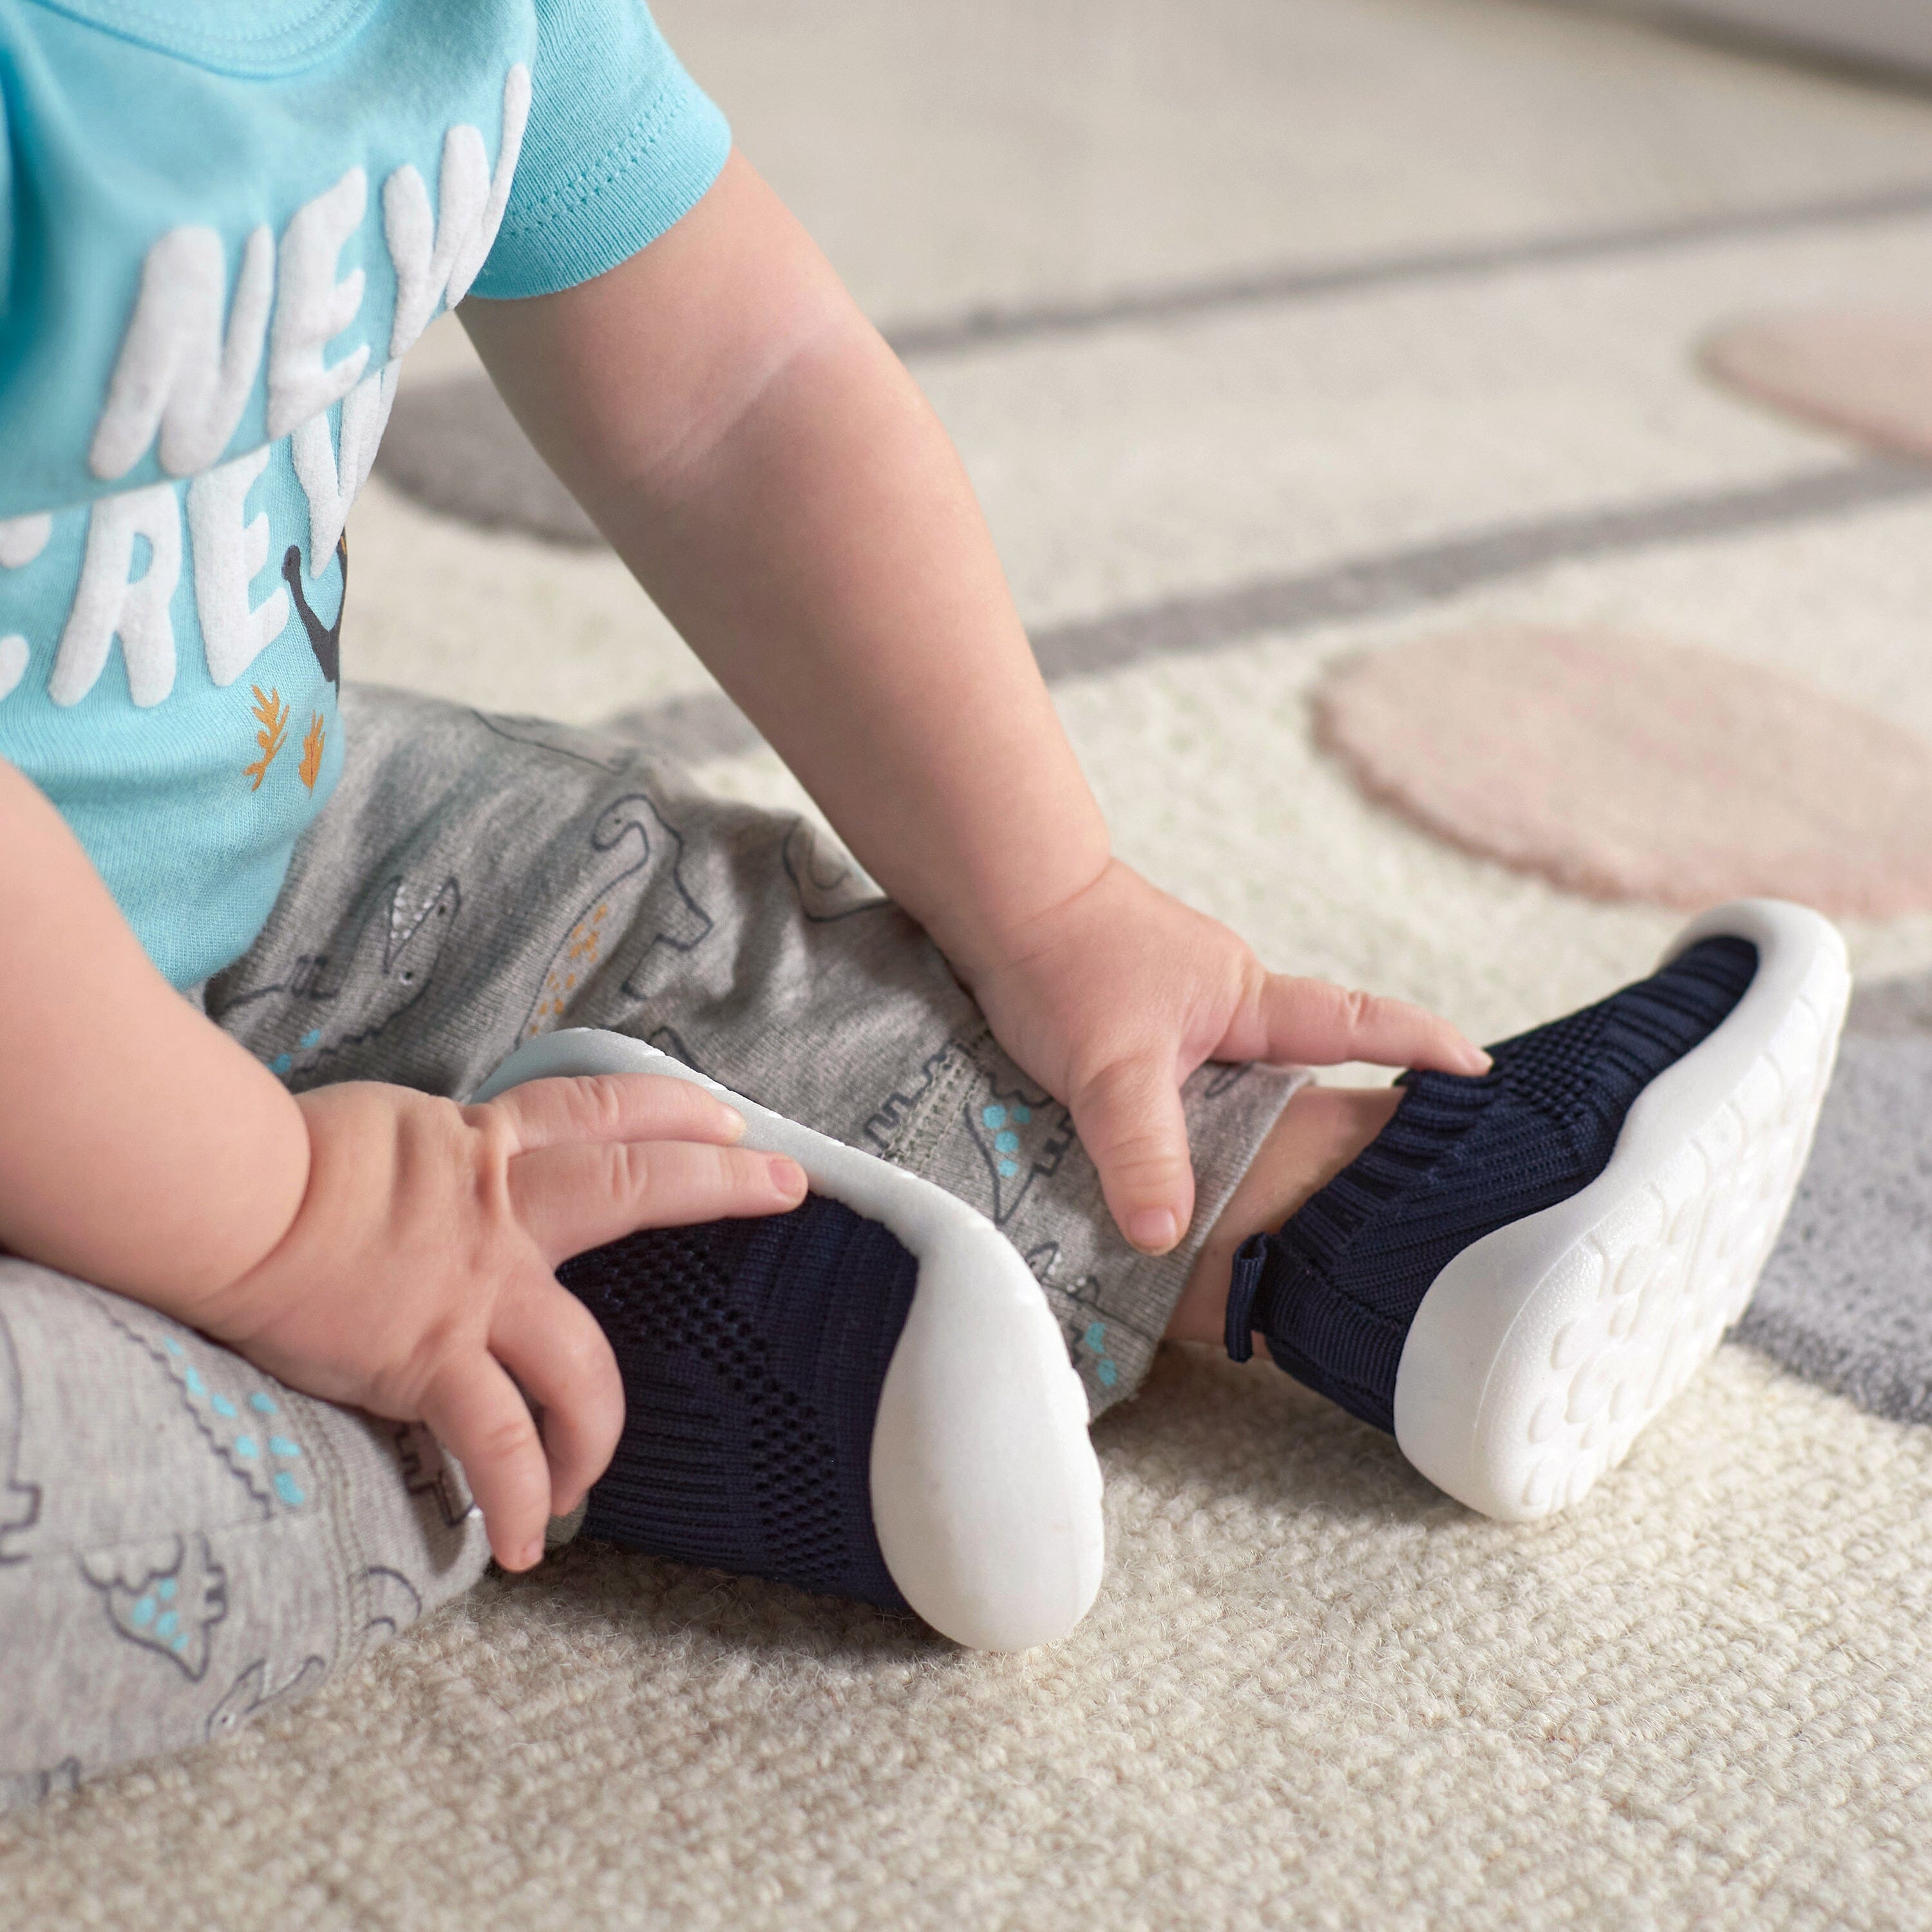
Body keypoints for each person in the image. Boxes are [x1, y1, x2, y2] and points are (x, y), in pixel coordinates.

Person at [0, 0, 1844, 1807]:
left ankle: (1343, 1224)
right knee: (82, 1504)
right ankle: (542, 1376)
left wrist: (1048, 903)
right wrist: (283, 1234)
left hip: (232, 860)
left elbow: (738, 394)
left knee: (605, 885)